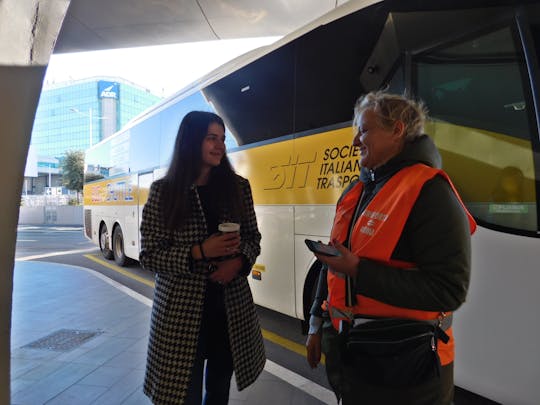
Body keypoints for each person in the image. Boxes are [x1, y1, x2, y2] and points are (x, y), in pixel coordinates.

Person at [305, 92, 476, 405]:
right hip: (356, 360)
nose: (356, 141)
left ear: (397, 130)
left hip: (410, 371)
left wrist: (358, 270)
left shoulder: (431, 191)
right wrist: (316, 324)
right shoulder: (356, 190)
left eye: (364, 130)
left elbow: (449, 290)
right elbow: (333, 261)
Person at [140, 111, 265, 405]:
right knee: (184, 394)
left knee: (219, 390)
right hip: (180, 313)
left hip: (229, 309)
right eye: (211, 138)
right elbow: (149, 255)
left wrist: (237, 263)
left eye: (222, 139)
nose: (220, 145)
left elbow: (253, 238)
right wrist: (200, 252)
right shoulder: (164, 191)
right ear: (191, 141)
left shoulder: (238, 187)